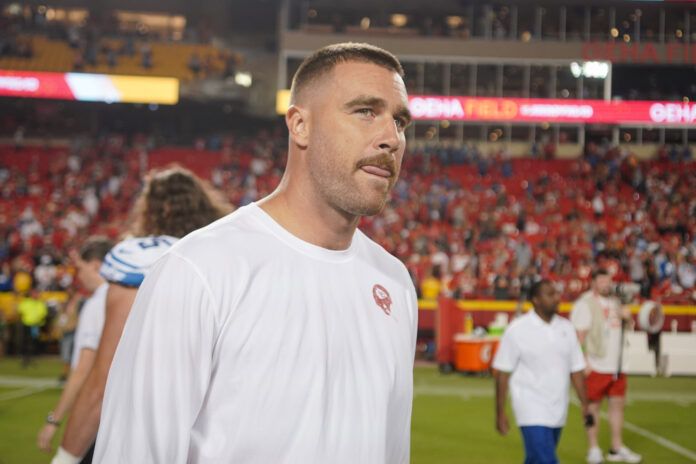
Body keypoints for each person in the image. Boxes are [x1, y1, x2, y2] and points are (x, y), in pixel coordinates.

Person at [94, 42, 417, 463]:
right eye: (365, 111)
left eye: (400, 121)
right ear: (300, 125)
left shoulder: (394, 282)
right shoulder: (199, 270)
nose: (391, 138)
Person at [51, 166, 230, 464]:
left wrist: (66, 457)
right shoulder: (227, 256)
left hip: (150, 439)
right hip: (221, 438)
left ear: (158, 209)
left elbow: (103, 378)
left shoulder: (140, 264)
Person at [493, 279, 589, 464]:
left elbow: (576, 369)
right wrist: (500, 412)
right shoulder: (517, 329)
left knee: (535, 459)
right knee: (547, 460)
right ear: (535, 300)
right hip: (530, 407)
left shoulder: (567, 328)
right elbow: (502, 372)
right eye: (550, 294)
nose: (556, 298)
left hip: (558, 408)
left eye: (556, 293)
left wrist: (585, 405)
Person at [37, 237, 113, 455]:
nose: (78, 275)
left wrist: (54, 419)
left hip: (95, 413)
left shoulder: (98, 303)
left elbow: (83, 370)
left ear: (96, 266)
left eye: (81, 268)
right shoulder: (124, 298)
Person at [571, 270, 642, 463]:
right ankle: (593, 448)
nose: (605, 284)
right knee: (592, 407)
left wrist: (627, 317)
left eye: (608, 280)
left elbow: (629, 328)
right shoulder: (585, 303)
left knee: (617, 406)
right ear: (593, 282)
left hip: (618, 364)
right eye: (601, 280)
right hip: (596, 363)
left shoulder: (618, 301)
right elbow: (578, 336)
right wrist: (583, 361)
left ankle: (616, 448)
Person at [16, 287, 48, 367]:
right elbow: (20, 312)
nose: (35, 295)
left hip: (36, 326)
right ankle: (24, 358)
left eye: (36, 293)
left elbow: (43, 314)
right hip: (26, 325)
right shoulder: (26, 302)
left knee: (34, 342)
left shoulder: (40, 303)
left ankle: (32, 358)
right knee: (25, 342)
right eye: (34, 293)